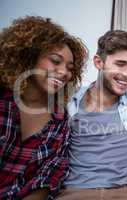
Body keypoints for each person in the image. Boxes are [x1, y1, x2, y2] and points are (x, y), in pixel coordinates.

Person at [56, 30, 127, 200]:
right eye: (121, 64)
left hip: (125, 191)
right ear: (98, 62)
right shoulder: (70, 99)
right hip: (75, 191)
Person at [0, 16, 88, 199]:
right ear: (29, 58)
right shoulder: (4, 102)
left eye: (70, 68)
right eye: (55, 61)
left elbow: (50, 174)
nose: (64, 72)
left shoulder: (59, 118)